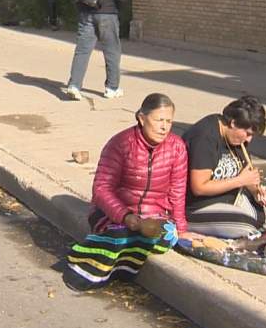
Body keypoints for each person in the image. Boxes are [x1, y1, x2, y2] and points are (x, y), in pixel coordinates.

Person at [64, 93, 190, 291]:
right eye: (159, 120)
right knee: (121, 236)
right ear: (142, 118)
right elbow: (101, 188)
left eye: (169, 121)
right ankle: (85, 270)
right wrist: (126, 216)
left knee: (165, 236)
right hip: (113, 215)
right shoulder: (121, 143)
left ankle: (119, 268)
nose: (164, 127)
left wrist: (181, 229)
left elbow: (178, 191)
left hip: (155, 217)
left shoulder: (177, 147)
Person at [182, 96, 266, 238]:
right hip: (197, 207)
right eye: (247, 133)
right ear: (233, 123)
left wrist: (255, 191)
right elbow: (199, 187)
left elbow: (244, 173)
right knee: (247, 227)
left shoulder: (235, 138)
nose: (248, 139)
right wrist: (240, 181)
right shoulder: (205, 137)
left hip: (231, 200)